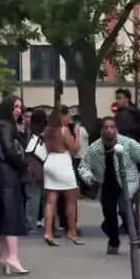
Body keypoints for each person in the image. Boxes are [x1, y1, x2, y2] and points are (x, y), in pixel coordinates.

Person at [78, 116, 140, 254]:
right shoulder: (95, 148)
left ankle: (136, 233)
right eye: (106, 127)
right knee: (109, 215)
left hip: (126, 183)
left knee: (124, 209)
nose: (109, 130)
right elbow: (83, 167)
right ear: (102, 130)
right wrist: (91, 180)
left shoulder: (127, 143)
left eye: (112, 127)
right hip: (107, 185)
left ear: (116, 129)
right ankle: (113, 241)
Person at [0, 95, 29, 275]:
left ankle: (4, 257)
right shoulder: (6, 125)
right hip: (7, 174)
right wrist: (23, 164)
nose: (18, 110)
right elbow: (10, 149)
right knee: (11, 214)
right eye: (15, 106)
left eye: (20, 107)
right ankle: (13, 257)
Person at [43, 105, 82, 246]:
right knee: (71, 198)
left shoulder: (48, 131)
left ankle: (48, 232)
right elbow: (74, 149)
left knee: (51, 200)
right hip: (62, 162)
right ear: (63, 116)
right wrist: (77, 135)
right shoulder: (64, 130)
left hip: (50, 161)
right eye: (68, 115)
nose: (69, 118)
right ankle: (72, 231)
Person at [24, 108, 48, 233]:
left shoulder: (28, 131)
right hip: (45, 166)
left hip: (31, 167)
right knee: (47, 197)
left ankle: (30, 223)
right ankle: (48, 222)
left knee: (32, 197)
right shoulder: (47, 132)